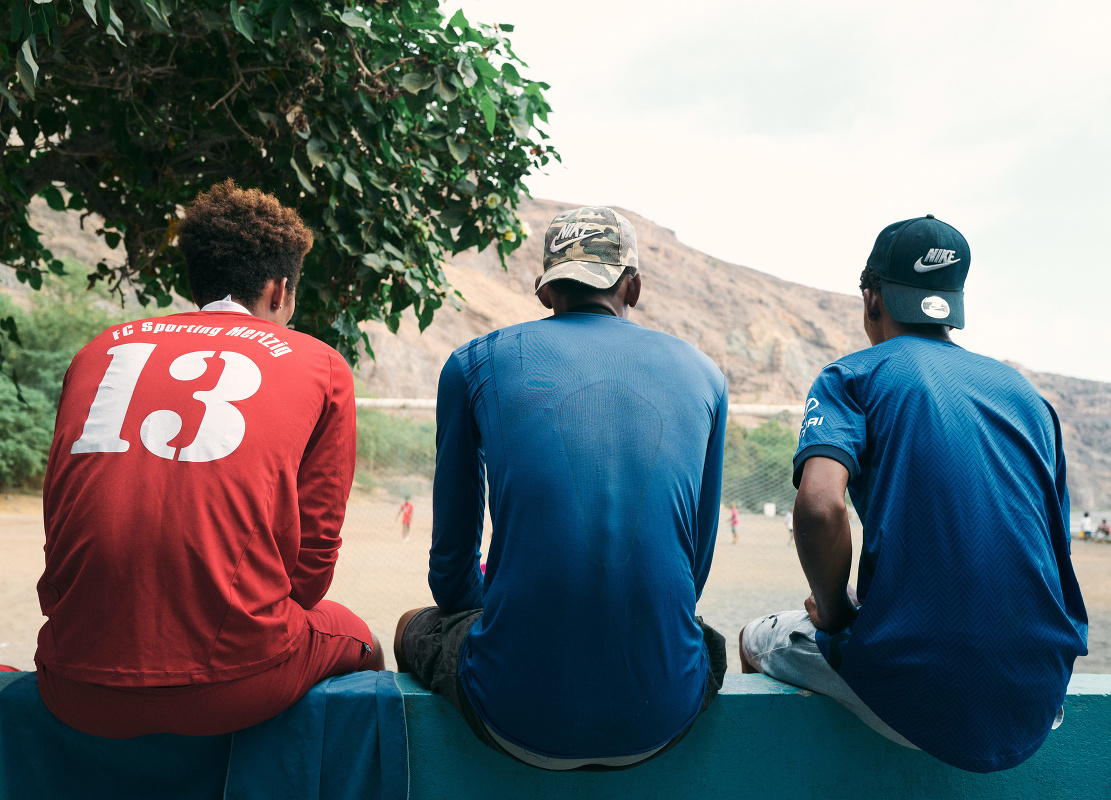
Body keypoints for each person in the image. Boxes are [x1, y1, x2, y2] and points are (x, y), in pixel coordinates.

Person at [35, 180, 383, 739]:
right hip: (233, 686)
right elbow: (311, 573)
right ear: (280, 290)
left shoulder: (97, 350)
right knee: (360, 638)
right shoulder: (322, 365)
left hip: (73, 682)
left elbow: (60, 521)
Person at [739, 214, 1087, 773]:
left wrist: (835, 611)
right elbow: (1050, 543)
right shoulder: (1028, 398)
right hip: (1040, 694)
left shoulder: (852, 376)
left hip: (920, 689)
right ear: (954, 304)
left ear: (872, 299)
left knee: (755, 639)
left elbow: (820, 507)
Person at [394, 206, 729, 770]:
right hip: (661, 718)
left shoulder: (472, 364)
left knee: (412, 625)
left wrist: (512, 606)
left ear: (546, 291)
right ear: (634, 286)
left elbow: (451, 581)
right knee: (706, 640)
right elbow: (692, 576)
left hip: (512, 715)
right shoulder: (707, 376)